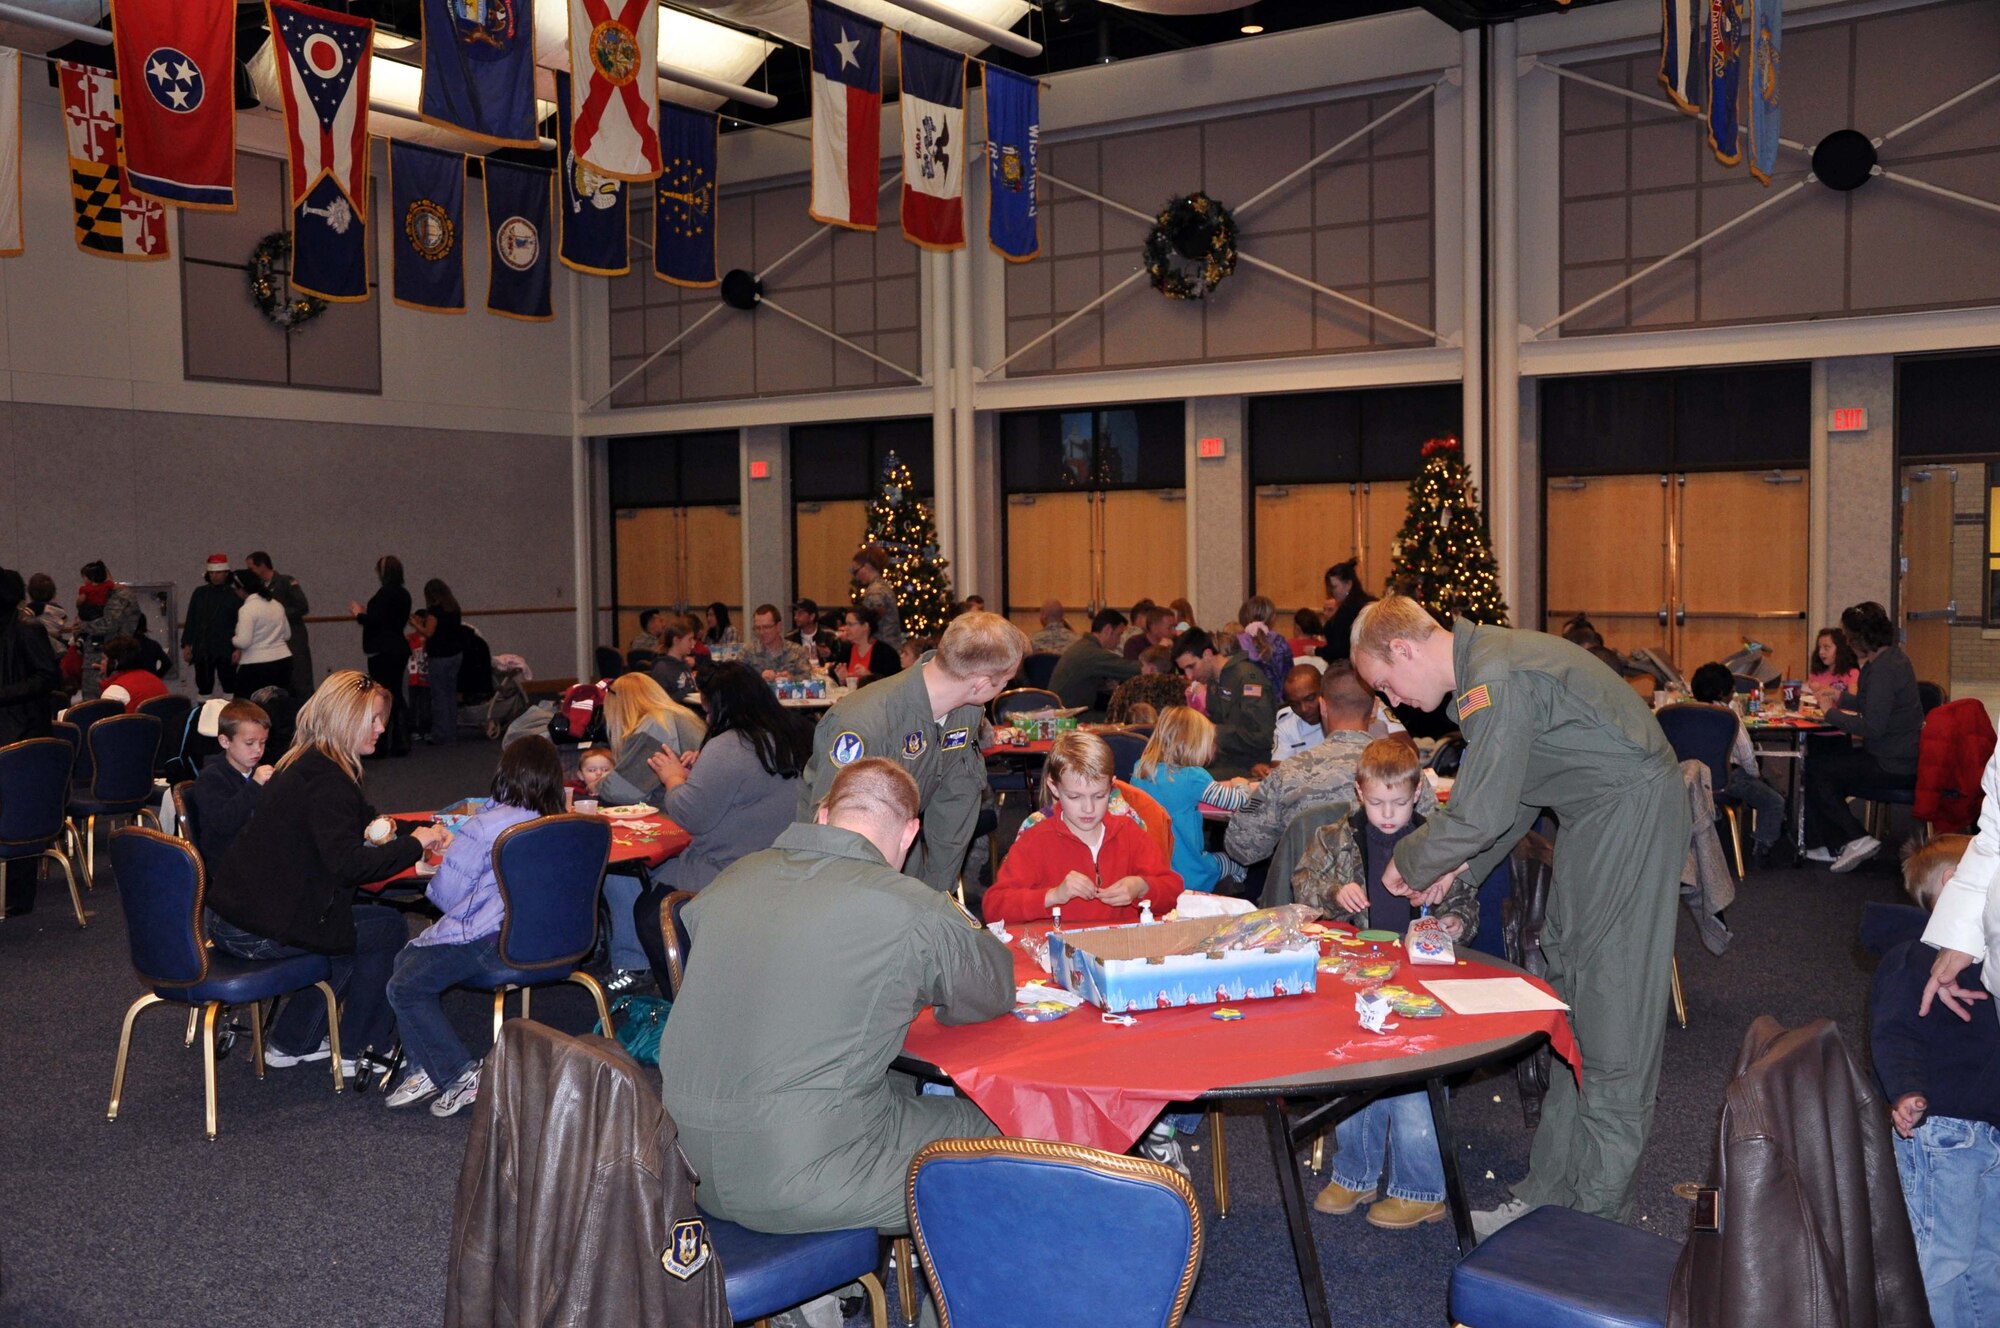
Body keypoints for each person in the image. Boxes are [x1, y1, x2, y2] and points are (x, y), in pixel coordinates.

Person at [1350, 594, 1689, 1233]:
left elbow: (1481, 810)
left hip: (1628, 815)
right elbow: (1516, 800)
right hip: (1595, 819)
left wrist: (1410, 861)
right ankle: (1549, 1199)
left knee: (1611, 1020)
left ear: (1403, 648)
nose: (1393, 701)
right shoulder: (1488, 669)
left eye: (1386, 684)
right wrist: (1460, 869)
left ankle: (1593, 1226)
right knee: (1570, 1007)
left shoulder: (1495, 678)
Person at [658, 758, 1013, 1239]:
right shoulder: (911, 906)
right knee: (1018, 1133)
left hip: (682, 1161)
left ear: (823, 816)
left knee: (885, 1085)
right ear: (910, 833)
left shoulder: (731, 880)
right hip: (802, 1174)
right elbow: (993, 989)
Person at [206, 671, 450, 1070]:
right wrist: (415, 845)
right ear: (344, 719)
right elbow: (350, 866)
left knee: (349, 926)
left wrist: (420, 831)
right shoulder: (327, 779)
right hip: (255, 928)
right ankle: (360, 1048)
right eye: (373, 719)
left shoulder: (311, 762)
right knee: (381, 928)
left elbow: (367, 823)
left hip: (238, 916)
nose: (381, 728)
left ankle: (292, 1042)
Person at [1299, 737, 1477, 1231]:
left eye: (1398, 803)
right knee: (1358, 1066)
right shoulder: (1335, 838)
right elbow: (1303, 885)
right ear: (1359, 792)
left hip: (1421, 974)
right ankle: (1354, 1174)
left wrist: (1454, 924)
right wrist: (1335, 891)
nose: (1387, 814)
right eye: (1376, 803)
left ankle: (1420, 1189)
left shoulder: (1436, 841)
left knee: (1414, 1072)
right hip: (1356, 971)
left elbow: (1466, 904)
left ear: (1417, 792)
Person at [383, 735, 568, 1118]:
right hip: (545, 937)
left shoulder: (483, 826)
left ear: (505, 773)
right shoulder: (561, 822)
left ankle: (459, 1074)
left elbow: (448, 898)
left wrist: (450, 859)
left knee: (403, 987)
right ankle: (425, 1067)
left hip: (489, 939)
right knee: (406, 960)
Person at [798, 611, 1028, 893]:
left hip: (903, 846)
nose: (1006, 686)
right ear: (980, 684)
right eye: (1006, 681)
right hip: (837, 867)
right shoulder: (865, 724)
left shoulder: (966, 712)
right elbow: (831, 831)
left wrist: (935, 892)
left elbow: (957, 798)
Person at [1869, 834, 2000, 1328]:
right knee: (1940, 1259)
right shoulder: (1915, 958)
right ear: (1956, 885)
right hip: (1946, 1131)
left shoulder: (1988, 964)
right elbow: (1894, 1030)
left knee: (1987, 1260)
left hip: (1988, 1131)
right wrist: (1906, 1089)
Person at [1226, 663, 1430, 867]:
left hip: (1304, 886)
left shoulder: (1287, 774)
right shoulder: (1405, 772)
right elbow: (1435, 841)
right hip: (1387, 885)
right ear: (1375, 708)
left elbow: (1241, 848)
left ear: (1322, 706)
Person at [983, 731, 1183, 924]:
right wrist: (1053, 896)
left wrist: (1141, 887)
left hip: (1121, 944)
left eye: (1099, 796)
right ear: (1054, 787)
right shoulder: (1036, 840)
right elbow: (994, 907)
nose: (1088, 808)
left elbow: (1174, 892)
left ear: (1111, 786)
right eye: (1075, 797)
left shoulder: (1129, 833)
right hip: (1059, 946)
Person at [1804, 601, 1925, 873]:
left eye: (1849, 637)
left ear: (1861, 638)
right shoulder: (1888, 659)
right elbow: (1873, 704)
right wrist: (1840, 697)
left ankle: (1853, 838)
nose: (1847, 642)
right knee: (1825, 763)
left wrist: (1830, 713)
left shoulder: (1883, 670)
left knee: (1817, 770)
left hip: (1893, 762)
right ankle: (1831, 841)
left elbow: (1872, 726)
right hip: (1895, 754)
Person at [1130, 708, 1256, 895]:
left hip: (1153, 871)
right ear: (1196, 743)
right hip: (1190, 873)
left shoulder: (1140, 769)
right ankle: (1223, 897)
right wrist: (1241, 784)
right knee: (1237, 863)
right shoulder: (1193, 777)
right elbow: (1240, 802)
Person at [1686, 662, 1791, 868]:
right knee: (1774, 801)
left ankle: (1711, 826)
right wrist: (1755, 775)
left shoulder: (1685, 713)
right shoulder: (1729, 716)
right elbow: (1746, 753)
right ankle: (1762, 846)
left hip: (1692, 779)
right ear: (1724, 693)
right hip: (1726, 779)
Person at [0, 565, 59, 916]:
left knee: (18, 813)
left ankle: (18, 896)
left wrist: (4, 694)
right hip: (10, 728)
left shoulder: (27, 628)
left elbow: (48, 677)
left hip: (23, 733)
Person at [1173, 628, 1278, 781]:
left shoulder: (1248, 679)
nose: (1189, 676)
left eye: (1191, 667)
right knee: (1172, 769)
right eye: (1184, 670)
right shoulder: (1216, 680)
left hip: (1252, 763)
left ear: (1207, 655)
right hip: (1227, 758)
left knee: (1189, 779)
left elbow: (1263, 737)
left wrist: (1213, 731)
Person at [596, 673, 708, 812]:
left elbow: (622, 791)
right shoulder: (681, 716)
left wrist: (597, 785)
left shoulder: (656, 724)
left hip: (679, 812)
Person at [186, 700, 272, 869]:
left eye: (263, 742)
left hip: (257, 853)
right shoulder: (211, 778)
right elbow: (224, 823)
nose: (258, 749)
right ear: (225, 741)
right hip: (226, 863)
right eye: (249, 743)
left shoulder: (258, 771)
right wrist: (255, 785)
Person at [349, 556, 413, 757]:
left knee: (382, 695)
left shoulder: (384, 594)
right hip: (399, 647)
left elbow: (375, 621)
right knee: (396, 694)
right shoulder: (404, 594)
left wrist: (359, 614)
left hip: (383, 651)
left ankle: (381, 743)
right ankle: (401, 739)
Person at [1049, 609, 1143, 712]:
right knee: (1124, 716)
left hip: (1063, 711)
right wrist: (1151, 666)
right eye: (1118, 634)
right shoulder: (1093, 653)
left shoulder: (1084, 646)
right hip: (1073, 715)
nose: (1119, 641)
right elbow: (1130, 669)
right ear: (1108, 630)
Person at [247, 551, 313, 696]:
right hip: (272, 642)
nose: (250, 572)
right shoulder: (258, 588)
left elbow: (302, 606)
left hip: (293, 639)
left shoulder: (286, 582)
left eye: (251, 568)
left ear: (262, 565)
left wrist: (277, 614)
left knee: (300, 677)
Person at [413, 579, 466, 746]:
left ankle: (441, 733)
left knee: (439, 696)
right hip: (455, 654)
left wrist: (416, 624)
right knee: (450, 694)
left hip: (439, 656)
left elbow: (429, 633)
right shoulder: (454, 608)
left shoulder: (435, 611)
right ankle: (451, 732)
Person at [75, 561, 139, 696]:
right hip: (94, 661)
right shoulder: (97, 596)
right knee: (92, 703)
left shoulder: (120, 595)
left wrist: (83, 626)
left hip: (113, 662)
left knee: (107, 702)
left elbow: (108, 624)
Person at [227, 568, 293, 699]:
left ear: (242, 590)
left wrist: (233, 639)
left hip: (256, 665)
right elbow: (287, 635)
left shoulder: (247, 609)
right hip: (283, 661)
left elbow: (244, 642)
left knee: (247, 705)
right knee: (278, 702)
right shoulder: (277, 604)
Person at [181, 554, 240, 697]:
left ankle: (230, 708)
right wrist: (187, 645)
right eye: (212, 573)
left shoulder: (234, 595)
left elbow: (240, 623)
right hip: (203, 647)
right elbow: (191, 619)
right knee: (203, 685)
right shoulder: (200, 593)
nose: (214, 576)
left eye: (218, 572)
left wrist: (239, 648)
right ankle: (203, 708)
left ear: (226, 573)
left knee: (229, 684)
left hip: (227, 647)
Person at [1262, 662, 1330, 773]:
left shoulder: (1343, 715)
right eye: (1294, 704)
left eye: (1310, 699)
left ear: (1323, 690)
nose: (1304, 709)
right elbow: (1278, 770)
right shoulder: (1286, 725)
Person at [1106, 644, 1189, 724]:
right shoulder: (1183, 687)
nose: (1140, 668)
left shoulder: (1130, 687)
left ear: (1151, 669)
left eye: (1142, 665)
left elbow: (1114, 717)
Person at [1317, 560, 1375, 666]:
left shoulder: (1348, 610)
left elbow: (1340, 648)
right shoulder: (1368, 603)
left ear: (1348, 584)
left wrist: (1317, 651)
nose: (1331, 592)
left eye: (1334, 587)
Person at [1237, 595, 1294, 694]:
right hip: (1276, 700)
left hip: (1243, 700)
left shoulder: (1237, 642)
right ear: (1272, 618)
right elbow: (1289, 675)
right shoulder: (1279, 642)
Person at [833, 606, 901, 687]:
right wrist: (841, 679)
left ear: (865, 626)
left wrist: (870, 677)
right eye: (846, 624)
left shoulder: (885, 653)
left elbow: (894, 684)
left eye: (850, 624)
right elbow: (835, 684)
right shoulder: (846, 651)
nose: (846, 628)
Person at [741, 604, 813, 681]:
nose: (762, 632)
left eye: (766, 627)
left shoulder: (796, 651)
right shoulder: (748, 651)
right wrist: (759, 678)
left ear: (779, 626)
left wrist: (791, 679)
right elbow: (737, 679)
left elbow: (808, 677)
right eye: (757, 628)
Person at [97, 635, 169, 711]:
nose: (101, 662)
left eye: (103, 658)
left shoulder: (114, 692)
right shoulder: (155, 680)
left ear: (114, 663)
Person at [851, 546, 904, 648]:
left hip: (884, 646)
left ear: (866, 567)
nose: (856, 576)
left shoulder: (876, 590)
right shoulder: (882, 586)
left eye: (856, 571)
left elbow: (875, 615)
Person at [649, 622, 700, 706]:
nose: (693, 644)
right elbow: (661, 702)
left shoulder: (684, 664)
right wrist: (688, 692)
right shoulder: (662, 669)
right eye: (689, 639)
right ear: (676, 640)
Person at [1808, 626, 1862, 700]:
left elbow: (1853, 700)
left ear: (1840, 649)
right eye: (1819, 648)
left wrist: (1822, 688)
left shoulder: (1852, 673)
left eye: (1826, 648)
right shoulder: (1817, 673)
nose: (1821, 652)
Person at [788, 598, 836, 664]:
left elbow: (839, 660)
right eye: (795, 613)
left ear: (812, 617)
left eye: (800, 614)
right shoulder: (790, 637)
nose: (795, 617)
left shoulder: (830, 635)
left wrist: (829, 655)